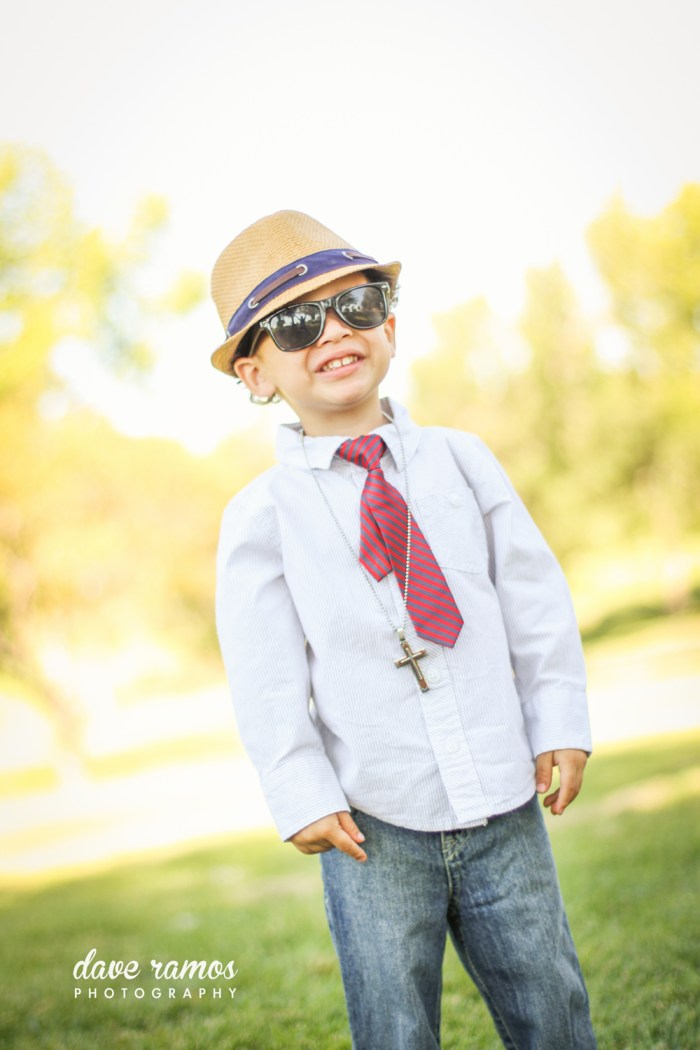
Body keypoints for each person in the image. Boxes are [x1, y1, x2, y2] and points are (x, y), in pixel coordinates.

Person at [211, 209, 597, 1049]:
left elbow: (532, 595)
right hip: (372, 824)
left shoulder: (463, 458)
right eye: (296, 324)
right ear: (257, 373)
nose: (333, 331)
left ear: (390, 323)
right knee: (393, 1025)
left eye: (356, 303)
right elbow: (265, 673)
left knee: (551, 1000)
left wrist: (560, 718)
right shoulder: (260, 517)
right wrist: (300, 792)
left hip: (503, 797)